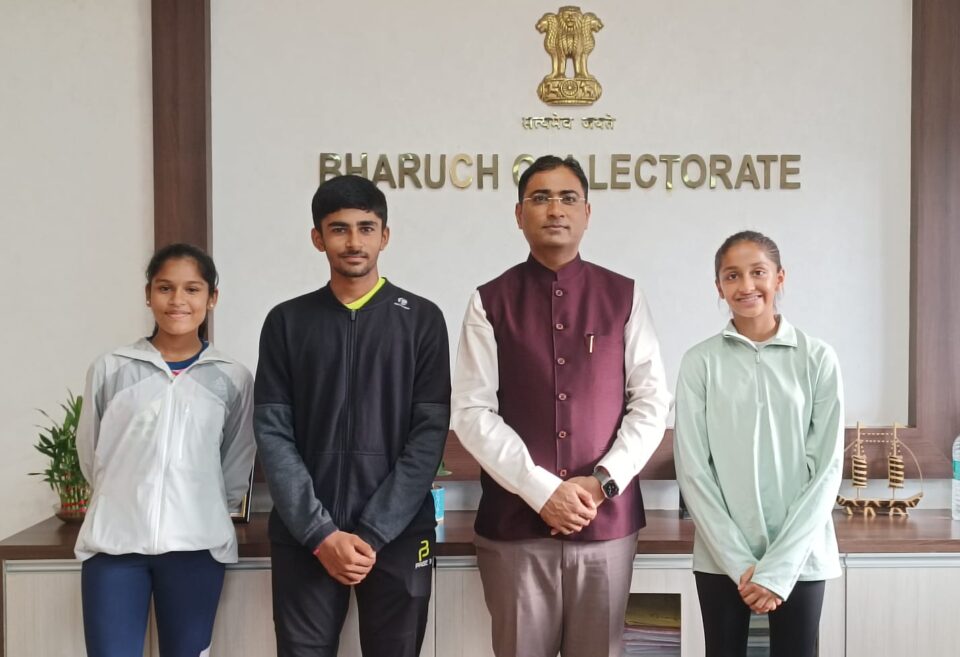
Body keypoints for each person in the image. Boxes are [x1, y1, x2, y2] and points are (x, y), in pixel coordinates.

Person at [451, 155, 671, 657]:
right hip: (515, 527)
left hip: (606, 523)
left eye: (568, 198)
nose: (555, 209)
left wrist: (602, 482)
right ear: (519, 214)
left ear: (587, 213)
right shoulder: (489, 301)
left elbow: (651, 400)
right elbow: (472, 410)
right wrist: (540, 489)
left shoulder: (624, 295)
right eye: (540, 198)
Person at [254, 174, 450, 657]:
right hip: (306, 537)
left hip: (399, 535)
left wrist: (373, 531)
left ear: (385, 235)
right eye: (339, 229)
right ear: (317, 238)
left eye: (366, 228)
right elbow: (273, 435)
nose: (354, 242)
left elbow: (428, 436)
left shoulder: (422, 320)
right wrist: (321, 534)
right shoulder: (286, 322)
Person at [75, 243, 256, 657]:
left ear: (212, 297)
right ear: (148, 294)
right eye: (165, 288)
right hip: (114, 549)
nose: (178, 300)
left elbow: (236, 461)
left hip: (197, 549)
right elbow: (90, 453)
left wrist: (204, 511)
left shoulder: (233, 378)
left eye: (192, 289)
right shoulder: (111, 368)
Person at [673, 230, 844, 657]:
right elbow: (693, 471)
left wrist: (778, 570)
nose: (746, 285)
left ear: (780, 277)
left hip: (801, 556)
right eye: (732, 275)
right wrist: (739, 564)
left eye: (758, 272)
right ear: (719, 287)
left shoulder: (817, 358)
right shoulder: (700, 362)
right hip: (721, 558)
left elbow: (826, 471)